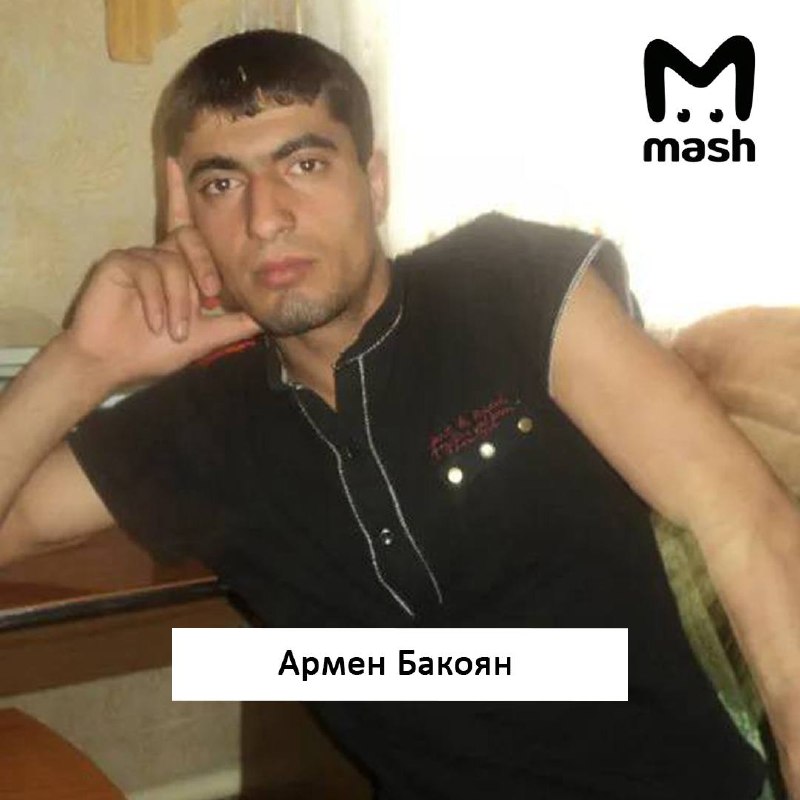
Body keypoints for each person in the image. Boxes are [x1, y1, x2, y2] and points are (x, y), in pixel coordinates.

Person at [0, 28, 798, 800]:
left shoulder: (509, 285)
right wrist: (82, 364)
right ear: (191, 219)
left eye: (305, 164)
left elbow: (747, 524)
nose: (265, 217)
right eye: (222, 184)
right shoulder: (200, 424)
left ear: (373, 183)